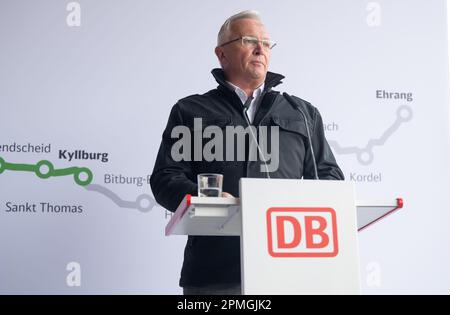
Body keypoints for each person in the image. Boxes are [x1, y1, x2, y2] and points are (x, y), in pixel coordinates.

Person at [150, 10, 344, 295]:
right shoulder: (190, 111)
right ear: (222, 54)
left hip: (288, 272)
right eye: (249, 40)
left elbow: (330, 182)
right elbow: (166, 178)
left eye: (266, 43)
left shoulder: (302, 113)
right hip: (215, 275)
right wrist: (213, 200)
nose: (260, 49)